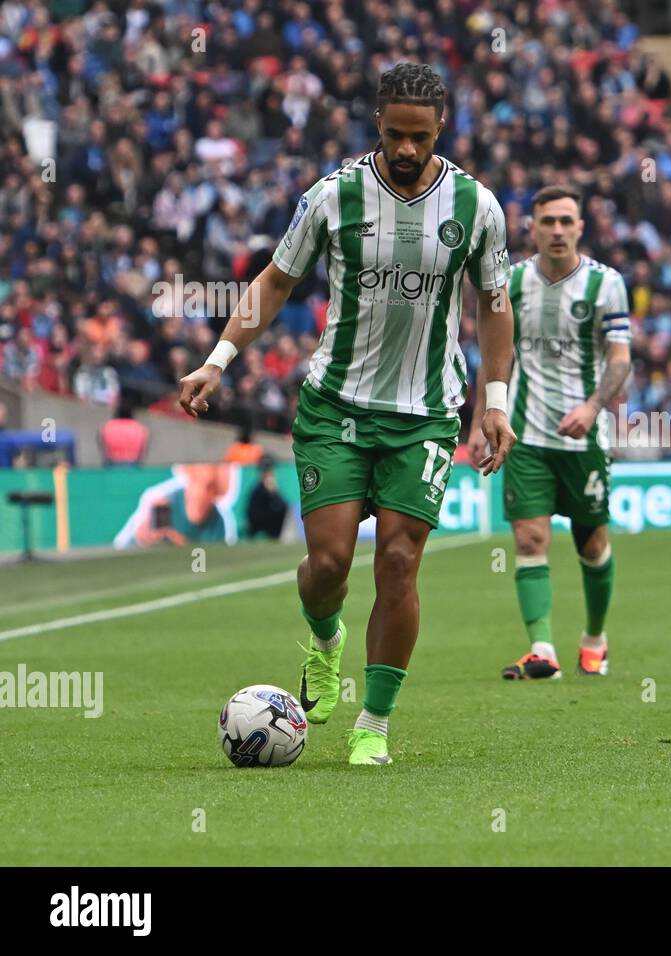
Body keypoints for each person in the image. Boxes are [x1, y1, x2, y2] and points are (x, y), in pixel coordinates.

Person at [178, 63, 517, 766]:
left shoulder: (476, 206)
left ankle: (375, 725)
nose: (405, 148)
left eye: (418, 137)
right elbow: (275, 281)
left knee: (397, 564)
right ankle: (325, 641)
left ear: (440, 129)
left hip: (424, 413)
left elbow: (494, 306)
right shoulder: (335, 195)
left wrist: (494, 404)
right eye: (394, 133)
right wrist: (217, 360)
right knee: (329, 563)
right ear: (378, 125)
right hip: (335, 407)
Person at [468, 186, 630, 680]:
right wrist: (479, 419)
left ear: (581, 226)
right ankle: (542, 648)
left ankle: (595, 638)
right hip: (525, 436)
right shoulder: (511, 282)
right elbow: (494, 356)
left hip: (586, 438)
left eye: (566, 221)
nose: (557, 230)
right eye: (547, 222)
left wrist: (593, 405)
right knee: (531, 537)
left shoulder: (606, 284)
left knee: (591, 543)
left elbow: (620, 357)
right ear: (532, 228)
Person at [247, 456, 288, 539]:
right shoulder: (258, 489)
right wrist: (272, 492)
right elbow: (254, 514)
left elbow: (283, 506)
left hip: (272, 524)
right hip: (260, 523)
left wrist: (274, 492)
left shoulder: (271, 488)